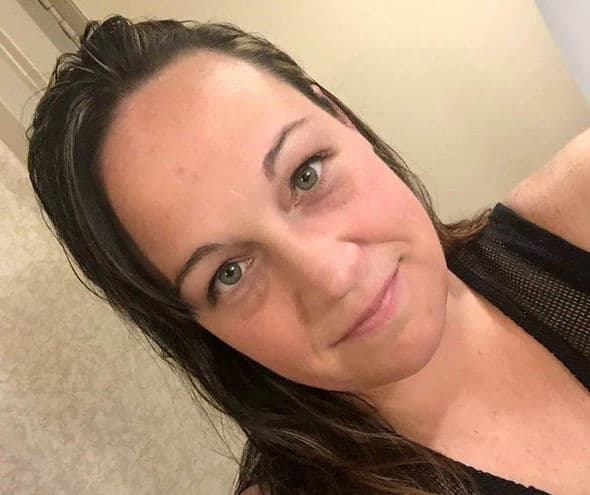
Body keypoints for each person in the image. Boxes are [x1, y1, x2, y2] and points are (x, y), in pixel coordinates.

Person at [26, 14, 590, 495]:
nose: (333, 277)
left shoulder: (574, 215)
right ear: (196, 326)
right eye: (229, 273)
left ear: (339, 117)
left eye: (306, 174)